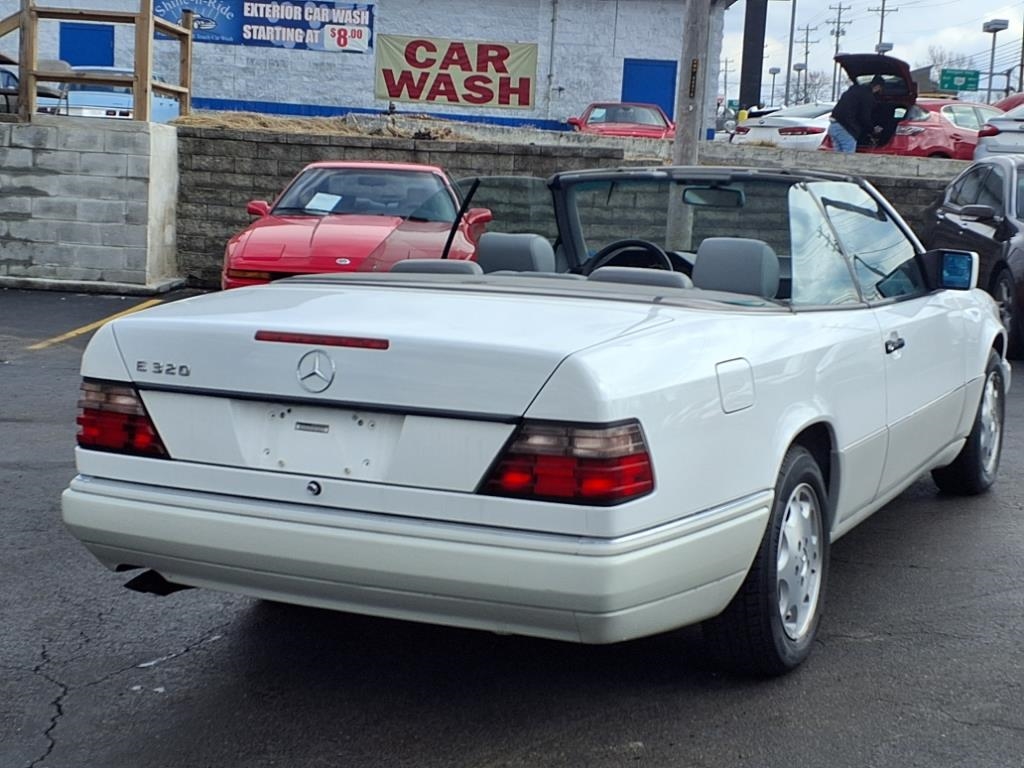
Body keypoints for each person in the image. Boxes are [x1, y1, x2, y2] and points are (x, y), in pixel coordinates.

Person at [828, 74, 885, 153]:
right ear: (878, 87)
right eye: (881, 89)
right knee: (848, 154)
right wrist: (872, 129)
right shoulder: (867, 96)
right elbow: (864, 117)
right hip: (845, 128)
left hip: (833, 126)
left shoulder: (853, 90)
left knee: (837, 155)